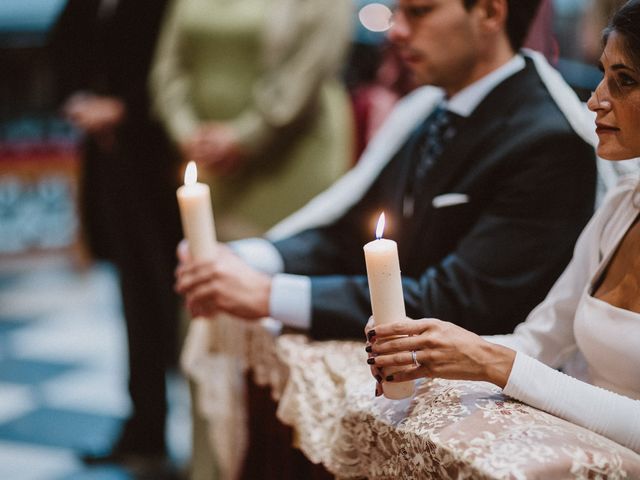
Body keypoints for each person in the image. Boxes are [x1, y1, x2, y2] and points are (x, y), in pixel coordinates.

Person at [175, 0, 598, 341]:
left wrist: (269, 295)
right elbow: (349, 234)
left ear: (489, 12)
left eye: (419, 11)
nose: (395, 31)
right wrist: (246, 259)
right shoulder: (428, 108)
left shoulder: (548, 141)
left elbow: (463, 300)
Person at [365, 0, 640, 454]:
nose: (595, 100)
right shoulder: (622, 205)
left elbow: (513, 363)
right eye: (603, 75)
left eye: (624, 81)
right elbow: (541, 340)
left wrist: (489, 361)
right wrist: (432, 351)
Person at [49, 0, 182, 464]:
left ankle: (201, 433)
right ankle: (145, 425)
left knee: (176, 301)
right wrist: (78, 99)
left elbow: (175, 65)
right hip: (111, 165)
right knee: (134, 299)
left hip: (162, 162)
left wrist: (125, 107)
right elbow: (64, 47)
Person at [149, 0, 353, 241]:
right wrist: (186, 133)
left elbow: (310, 67)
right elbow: (168, 66)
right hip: (212, 160)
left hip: (290, 152)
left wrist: (243, 138)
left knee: (287, 259)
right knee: (218, 260)